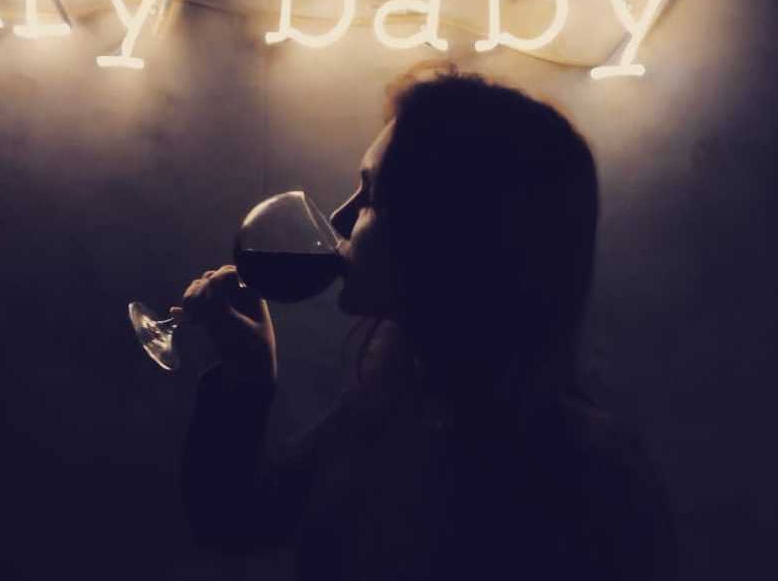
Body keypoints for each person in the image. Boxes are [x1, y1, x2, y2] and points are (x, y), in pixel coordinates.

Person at [175, 61, 676, 580]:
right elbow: (231, 520)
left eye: (371, 197)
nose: (340, 219)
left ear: (444, 230)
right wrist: (247, 374)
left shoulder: (587, 480)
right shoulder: (386, 407)